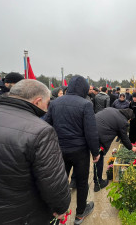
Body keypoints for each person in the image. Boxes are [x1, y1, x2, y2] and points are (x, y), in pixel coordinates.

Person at [0, 79, 71, 224]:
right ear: (37, 101)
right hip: (18, 214)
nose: (48, 108)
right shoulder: (40, 130)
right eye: (47, 103)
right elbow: (53, 182)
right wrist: (61, 207)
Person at [44, 76, 100, 224]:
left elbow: (45, 124)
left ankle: (57, 212)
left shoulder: (55, 103)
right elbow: (91, 131)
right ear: (83, 88)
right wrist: (95, 152)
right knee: (82, 182)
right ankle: (80, 214)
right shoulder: (85, 104)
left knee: (60, 181)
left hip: (59, 149)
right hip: (79, 151)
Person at [93, 107, 136, 191]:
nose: (128, 121)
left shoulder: (112, 109)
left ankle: (75, 180)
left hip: (90, 128)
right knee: (98, 157)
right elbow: (124, 137)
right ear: (128, 118)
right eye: (129, 120)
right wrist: (131, 147)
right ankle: (98, 183)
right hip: (99, 136)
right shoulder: (123, 121)